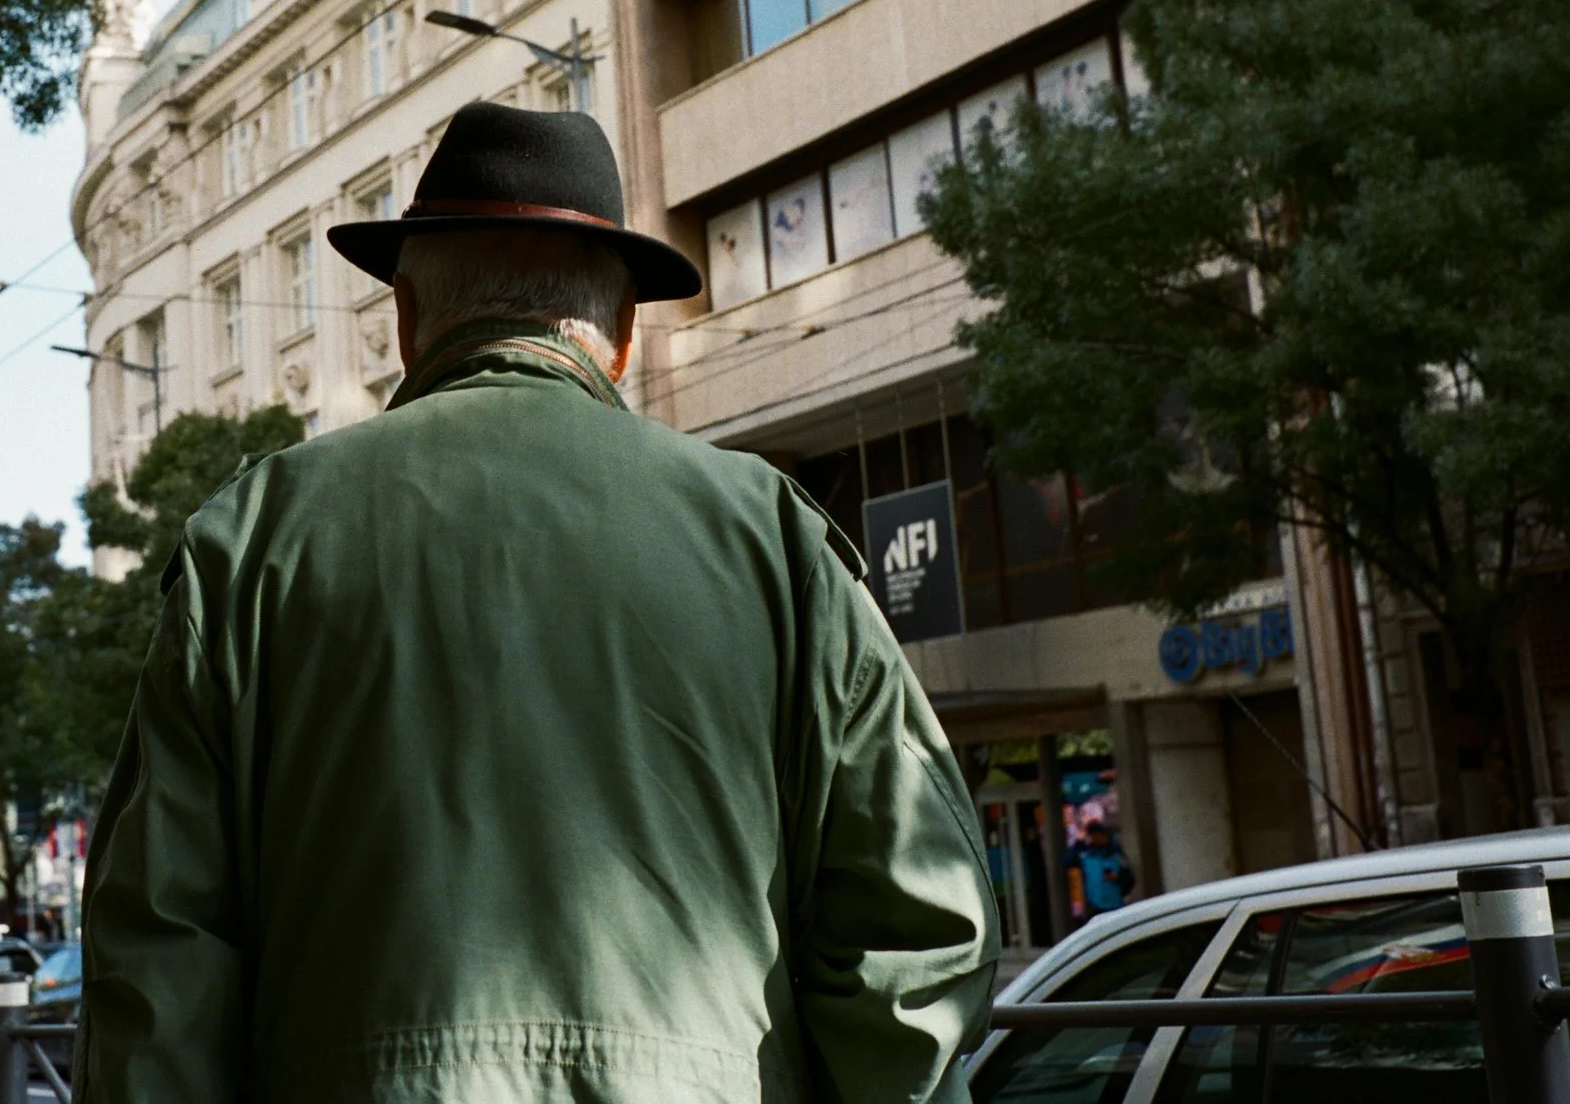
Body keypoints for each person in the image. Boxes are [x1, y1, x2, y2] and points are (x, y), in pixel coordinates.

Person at [83, 103, 999, 1103]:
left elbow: (158, 960)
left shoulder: (250, 539)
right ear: (619, 333)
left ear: (403, 318)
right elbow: (914, 927)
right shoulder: (774, 539)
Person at [1069, 818, 1136, 917]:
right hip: (1094, 909)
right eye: (1093, 835)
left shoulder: (1116, 855)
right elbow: (1067, 861)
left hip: (1115, 907)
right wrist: (1078, 843)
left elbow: (1130, 879)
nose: (1097, 838)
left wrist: (1117, 877)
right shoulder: (1085, 856)